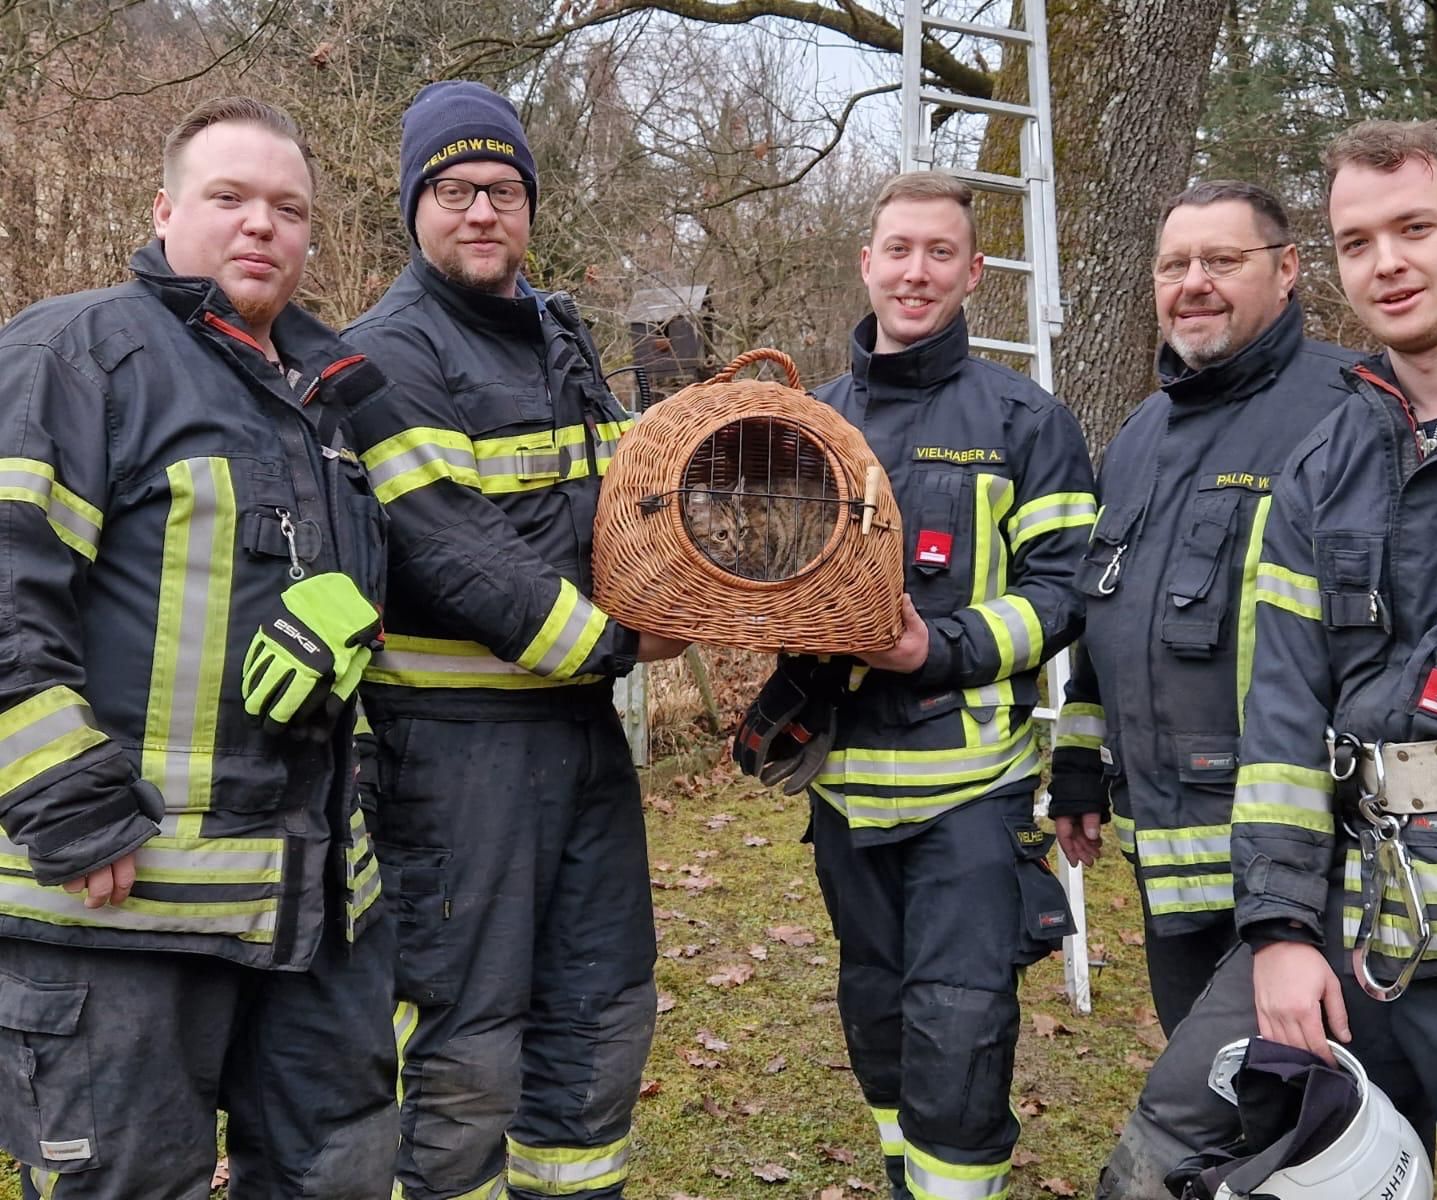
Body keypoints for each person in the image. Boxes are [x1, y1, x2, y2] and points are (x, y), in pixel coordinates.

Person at [1101, 118, 1437, 1200]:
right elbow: (1280, 713)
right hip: (1362, 930)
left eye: (1414, 227)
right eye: (1356, 240)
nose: (1387, 262)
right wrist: (1281, 932)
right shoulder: (1324, 460)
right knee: (1190, 1165)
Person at [0, 97, 396, 1199]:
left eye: (288, 207)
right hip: (119, 908)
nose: (261, 225)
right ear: (166, 207)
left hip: (312, 920)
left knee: (343, 1177)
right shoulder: (77, 351)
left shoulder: (327, 406)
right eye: (229, 198)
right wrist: (68, 806)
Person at [344, 80, 683, 1200]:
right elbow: (458, 557)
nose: (480, 210)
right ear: (415, 208)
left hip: (577, 741)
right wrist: (629, 644)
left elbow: (622, 510)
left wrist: (698, 575)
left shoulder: (554, 335)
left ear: (529, 208)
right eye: (453, 190)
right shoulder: (386, 355)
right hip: (453, 756)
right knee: (465, 1044)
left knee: (599, 1015)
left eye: (501, 189)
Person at [746, 170, 1096, 1200]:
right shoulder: (810, 418)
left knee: (959, 1022)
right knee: (880, 1016)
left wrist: (933, 650)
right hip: (844, 792)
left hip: (968, 793)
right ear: (866, 262)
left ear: (973, 272)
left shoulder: (1024, 422)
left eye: (939, 252)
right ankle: (914, 1180)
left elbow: (1063, 593)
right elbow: (759, 566)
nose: (915, 270)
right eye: (897, 249)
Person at [1051, 180, 1355, 1037]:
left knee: (1316, 1130)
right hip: (1172, 868)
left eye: (1223, 260)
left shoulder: (1353, 411)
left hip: (1311, 872)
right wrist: (1078, 760)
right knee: (1219, 1114)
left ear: (1288, 269)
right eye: (1174, 265)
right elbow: (1110, 615)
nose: (1194, 283)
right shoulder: (1142, 434)